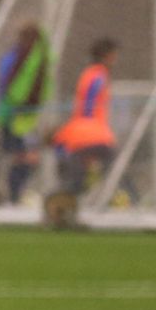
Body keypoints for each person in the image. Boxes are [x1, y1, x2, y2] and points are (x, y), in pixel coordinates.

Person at [51, 39, 119, 198]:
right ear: (106, 56)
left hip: (88, 131)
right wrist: (89, 127)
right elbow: (89, 102)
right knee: (106, 163)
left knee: (81, 173)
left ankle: (76, 195)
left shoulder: (91, 74)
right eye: (113, 55)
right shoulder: (97, 75)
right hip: (91, 132)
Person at [0, 24, 54, 203]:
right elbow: (12, 89)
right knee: (26, 157)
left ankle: (15, 195)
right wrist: (20, 105)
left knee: (25, 158)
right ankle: (14, 197)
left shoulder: (18, 58)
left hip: (19, 117)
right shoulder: (26, 59)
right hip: (17, 117)